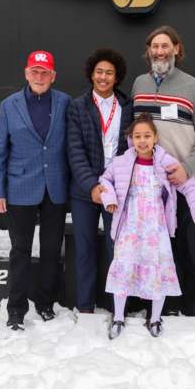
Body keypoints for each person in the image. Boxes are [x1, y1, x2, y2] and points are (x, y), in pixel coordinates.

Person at [131, 26, 195, 316]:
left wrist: (187, 168)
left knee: (189, 248)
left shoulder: (193, 86)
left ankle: (193, 308)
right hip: (149, 186)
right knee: (156, 249)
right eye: (155, 46)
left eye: (165, 46)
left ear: (176, 49)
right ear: (148, 51)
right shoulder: (140, 84)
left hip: (183, 182)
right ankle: (160, 307)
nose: (160, 51)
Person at [100, 114, 195, 339]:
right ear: (131, 139)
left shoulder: (165, 162)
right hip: (129, 227)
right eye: (137, 136)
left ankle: (156, 318)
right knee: (124, 269)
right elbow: (104, 180)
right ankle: (118, 316)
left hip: (155, 229)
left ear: (155, 138)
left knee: (158, 270)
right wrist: (109, 199)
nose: (142, 141)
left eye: (147, 136)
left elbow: (189, 186)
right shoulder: (122, 162)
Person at [0, 50, 71, 331]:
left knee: (51, 250)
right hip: (20, 187)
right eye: (34, 71)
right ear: (26, 73)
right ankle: (16, 310)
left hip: (55, 188)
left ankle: (45, 303)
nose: (39, 77)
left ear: (53, 76)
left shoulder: (64, 102)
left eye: (44, 72)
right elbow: (0, 151)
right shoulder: (9, 105)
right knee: (20, 250)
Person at [67, 48, 133, 314]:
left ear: (116, 77)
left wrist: (115, 185)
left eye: (109, 73)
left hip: (117, 190)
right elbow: (75, 150)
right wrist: (93, 186)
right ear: (91, 75)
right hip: (85, 191)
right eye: (99, 72)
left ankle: (117, 307)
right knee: (85, 249)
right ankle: (85, 307)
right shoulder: (77, 106)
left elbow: (130, 150)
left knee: (117, 248)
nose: (103, 77)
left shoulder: (127, 107)